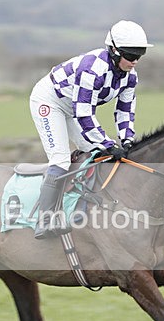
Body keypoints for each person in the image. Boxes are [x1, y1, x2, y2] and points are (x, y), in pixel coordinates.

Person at [29, 20, 152, 239]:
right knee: (60, 159)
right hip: (50, 102)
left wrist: (127, 141)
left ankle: (82, 207)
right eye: (130, 56)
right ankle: (44, 219)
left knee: (99, 155)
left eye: (139, 57)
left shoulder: (130, 76)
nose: (134, 62)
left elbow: (124, 111)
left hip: (74, 107)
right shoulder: (92, 69)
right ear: (114, 51)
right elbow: (84, 114)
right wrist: (108, 144)